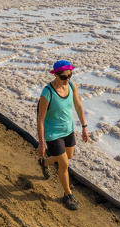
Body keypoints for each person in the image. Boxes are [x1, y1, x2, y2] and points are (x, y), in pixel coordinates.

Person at [37, 60, 88, 210]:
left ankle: (45, 163)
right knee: (64, 164)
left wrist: (84, 127)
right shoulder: (47, 93)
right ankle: (68, 195)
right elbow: (40, 120)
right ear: (56, 75)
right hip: (53, 134)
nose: (67, 80)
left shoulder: (71, 85)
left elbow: (78, 105)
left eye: (70, 76)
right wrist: (41, 143)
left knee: (69, 156)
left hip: (68, 130)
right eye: (64, 77)